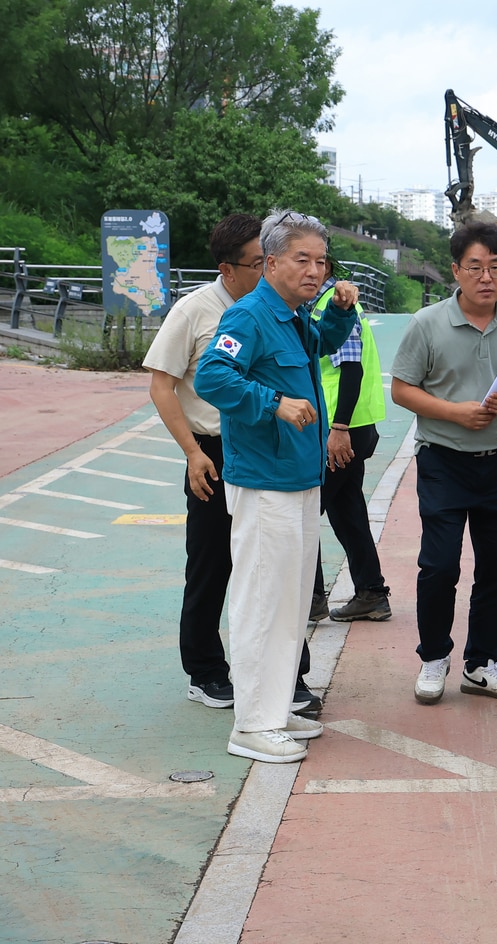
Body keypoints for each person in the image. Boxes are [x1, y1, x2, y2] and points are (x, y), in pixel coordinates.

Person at [194, 209, 360, 763]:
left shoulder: (292, 315)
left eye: (321, 262)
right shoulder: (250, 316)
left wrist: (339, 313)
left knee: (289, 602)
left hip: (296, 479)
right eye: (301, 260)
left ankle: (272, 708)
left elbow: (319, 348)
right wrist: (273, 404)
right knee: (262, 600)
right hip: (265, 483)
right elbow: (212, 377)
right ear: (269, 263)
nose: (315, 271)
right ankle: (252, 724)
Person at [144, 215, 320, 717]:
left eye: (318, 261)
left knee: (284, 577)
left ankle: (288, 681)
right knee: (217, 567)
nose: (268, 269)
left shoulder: (286, 311)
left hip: (273, 453)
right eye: (258, 262)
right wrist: (192, 453)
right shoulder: (202, 311)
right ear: (231, 268)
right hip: (215, 451)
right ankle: (207, 671)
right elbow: (167, 384)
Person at [390, 221, 497, 706]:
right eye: (475, 267)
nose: (486, 277)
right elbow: (402, 389)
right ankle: (434, 657)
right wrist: (455, 412)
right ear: (456, 270)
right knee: (439, 566)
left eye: (496, 267)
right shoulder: (428, 324)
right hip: (443, 461)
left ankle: (482, 663)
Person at [308, 282, 392, 623]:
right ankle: (371, 592)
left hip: (338, 427)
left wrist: (339, 427)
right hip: (348, 424)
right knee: (347, 509)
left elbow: (351, 367)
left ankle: (311, 597)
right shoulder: (319, 302)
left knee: (304, 508)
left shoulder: (336, 304)